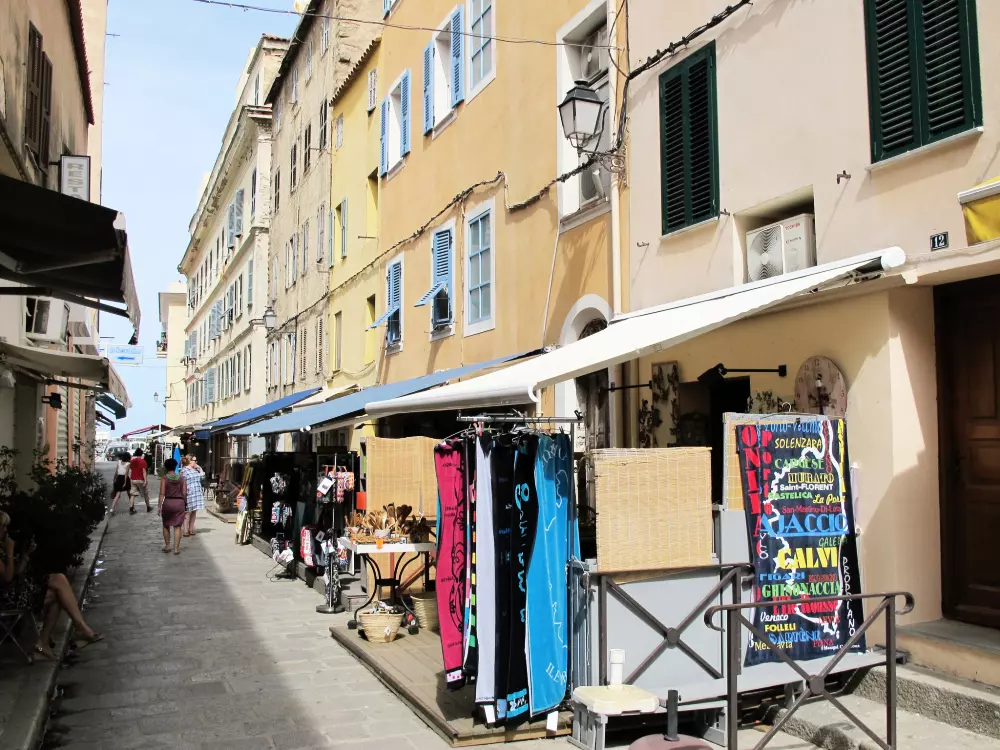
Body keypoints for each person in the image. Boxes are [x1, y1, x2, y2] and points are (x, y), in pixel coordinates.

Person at [0, 510, 103, 660]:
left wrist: (25, 555)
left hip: (14, 592)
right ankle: (78, 629)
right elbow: (8, 578)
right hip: (6, 599)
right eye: (3, 527)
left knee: (59, 591)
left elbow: (16, 572)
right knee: (59, 583)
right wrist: (9, 553)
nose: (5, 530)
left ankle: (44, 643)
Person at [159, 458, 187, 554]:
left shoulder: (164, 478)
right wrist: (185, 504)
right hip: (179, 503)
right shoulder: (182, 478)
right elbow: (184, 493)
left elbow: (162, 493)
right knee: (177, 526)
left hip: (168, 503)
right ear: (175, 466)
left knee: (166, 525)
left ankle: (167, 546)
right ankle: (176, 549)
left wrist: (159, 506)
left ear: (166, 467)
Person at [180, 455, 206, 537]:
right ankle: (185, 530)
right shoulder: (184, 470)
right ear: (190, 461)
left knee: (194, 511)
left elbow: (203, 479)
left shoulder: (196, 470)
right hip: (189, 493)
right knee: (187, 512)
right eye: (195, 460)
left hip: (197, 492)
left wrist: (200, 468)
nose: (196, 462)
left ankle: (191, 528)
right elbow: (182, 482)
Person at [128, 448, 151, 514]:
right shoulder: (143, 461)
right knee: (146, 494)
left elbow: (131, 469)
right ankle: (148, 507)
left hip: (133, 479)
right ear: (141, 454)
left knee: (132, 494)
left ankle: (131, 508)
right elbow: (144, 471)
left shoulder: (132, 461)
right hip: (140, 479)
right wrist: (145, 480)